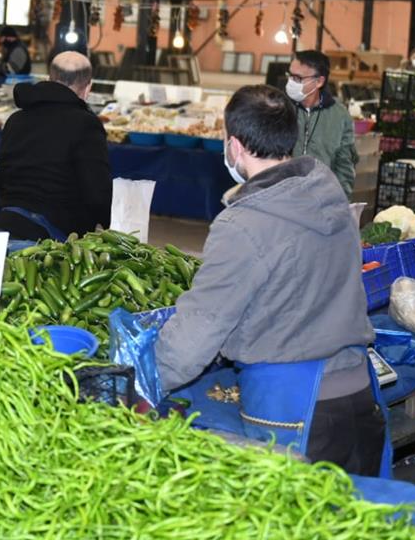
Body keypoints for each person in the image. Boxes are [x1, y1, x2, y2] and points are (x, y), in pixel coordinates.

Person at [156, 85, 385, 476]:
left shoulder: (242, 225)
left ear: (235, 146)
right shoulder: (327, 191)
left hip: (295, 412)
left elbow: (198, 333)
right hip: (360, 398)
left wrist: (144, 377)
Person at [0, 51, 111, 243]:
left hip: (7, 226)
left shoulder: (16, 119)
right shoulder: (86, 124)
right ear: (88, 87)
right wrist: (112, 225)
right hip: (52, 240)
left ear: (50, 78)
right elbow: (97, 190)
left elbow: (1, 177)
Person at [287, 50, 357, 198]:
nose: (291, 82)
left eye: (298, 78)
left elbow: (345, 164)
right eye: (290, 76)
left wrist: (341, 201)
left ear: (319, 81)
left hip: (321, 199)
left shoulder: (339, 115)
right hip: (283, 197)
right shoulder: (280, 108)